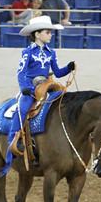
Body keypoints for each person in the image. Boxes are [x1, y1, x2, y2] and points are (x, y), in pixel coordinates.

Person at [7, 15, 75, 149]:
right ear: (37, 34)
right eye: (47, 32)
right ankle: (14, 139)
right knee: (23, 108)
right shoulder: (28, 52)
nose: (50, 35)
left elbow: (57, 72)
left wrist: (68, 68)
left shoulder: (51, 53)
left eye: (50, 32)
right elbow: (21, 72)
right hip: (31, 87)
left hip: (46, 85)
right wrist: (24, 88)